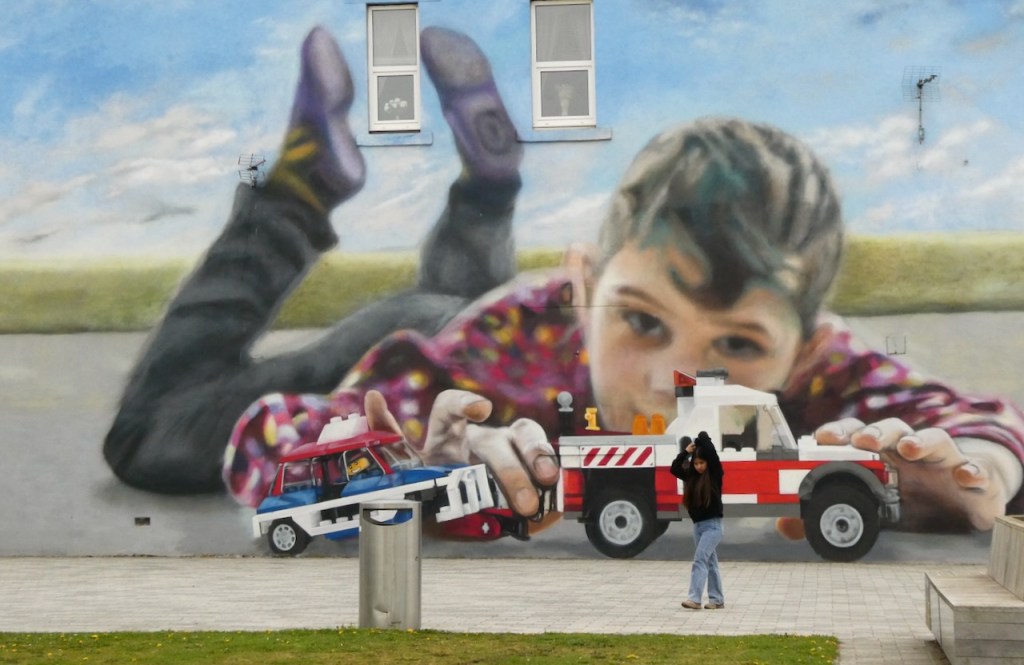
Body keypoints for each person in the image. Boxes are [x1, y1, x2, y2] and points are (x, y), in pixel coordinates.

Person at [104, 25, 1024, 544]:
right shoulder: (496, 346)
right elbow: (282, 443)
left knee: (471, 311)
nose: (677, 379)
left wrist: (973, 472)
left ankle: (489, 191)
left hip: (488, 321)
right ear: (584, 285)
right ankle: (303, 189)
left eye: (737, 345)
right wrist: (415, 466)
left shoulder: (826, 374)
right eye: (643, 321)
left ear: (808, 345)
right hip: (429, 337)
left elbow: (983, 425)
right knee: (150, 435)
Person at [671, 433, 725, 609]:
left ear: (707, 462)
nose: (699, 466)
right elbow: (674, 468)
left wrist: (700, 439)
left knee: (700, 559)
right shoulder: (691, 476)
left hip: (713, 526)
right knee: (710, 562)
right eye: (696, 463)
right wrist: (686, 452)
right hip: (698, 527)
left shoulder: (715, 475)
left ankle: (694, 598)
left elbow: (711, 452)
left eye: (702, 463)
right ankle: (717, 600)